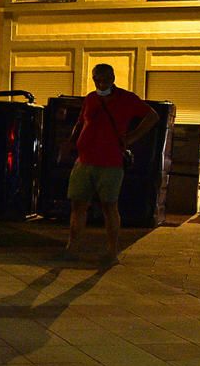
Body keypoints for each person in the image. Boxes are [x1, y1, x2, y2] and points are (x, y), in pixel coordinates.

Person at [60, 64, 159, 266]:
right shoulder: (91, 98)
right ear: (94, 79)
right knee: (78, 205)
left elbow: (152, 116)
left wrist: (131, 137)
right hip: (84, 160)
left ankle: (112, 251)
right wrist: (71, 142)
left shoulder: (127, 99)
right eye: (98, 79)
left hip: (110, 162)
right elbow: (81, 123)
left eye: (106, 79)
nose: (102, 83)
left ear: (113, 78)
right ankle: (72, 246)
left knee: (109, 206)